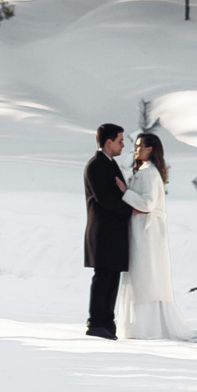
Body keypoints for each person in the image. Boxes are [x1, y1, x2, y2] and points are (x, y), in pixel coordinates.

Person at [118, 131, 197, 342]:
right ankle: (143, 327)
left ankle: (146, 328)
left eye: (140, 146)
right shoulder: (145, 171)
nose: (136, 149)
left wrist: (125, 192)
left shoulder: (149, 173)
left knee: (144, 275)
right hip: (143, 231)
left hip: (145, 233)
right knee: (143, 275)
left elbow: (148, 203)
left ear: (150, 149)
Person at [82, 123, 129, 338]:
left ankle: (107, 321)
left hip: (115, 232)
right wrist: (131, 209)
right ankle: (96, 322)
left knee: (113, 276)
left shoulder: (111, 165)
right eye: (120, 141)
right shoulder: (95, 166)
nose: (123, 145)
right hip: (102, 232)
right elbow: (105, 199)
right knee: (102, 276)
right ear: (108, 142)